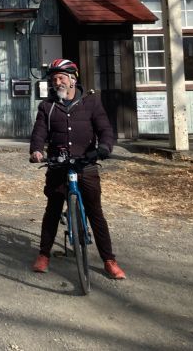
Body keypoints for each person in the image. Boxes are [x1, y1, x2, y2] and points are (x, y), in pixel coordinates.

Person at [29, 58, 126, 280]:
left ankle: (109, 260)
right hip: (58, 165)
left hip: (86, 164)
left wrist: (103, 147)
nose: (57, 82)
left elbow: (105, 129)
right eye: (54, 79)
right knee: (52, 210)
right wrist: (36, 151)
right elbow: (39, 133)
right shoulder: (47, 106)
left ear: (73, 79)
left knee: (96, 213)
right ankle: (44, 254)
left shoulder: (91, 102)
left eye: (61, 77)